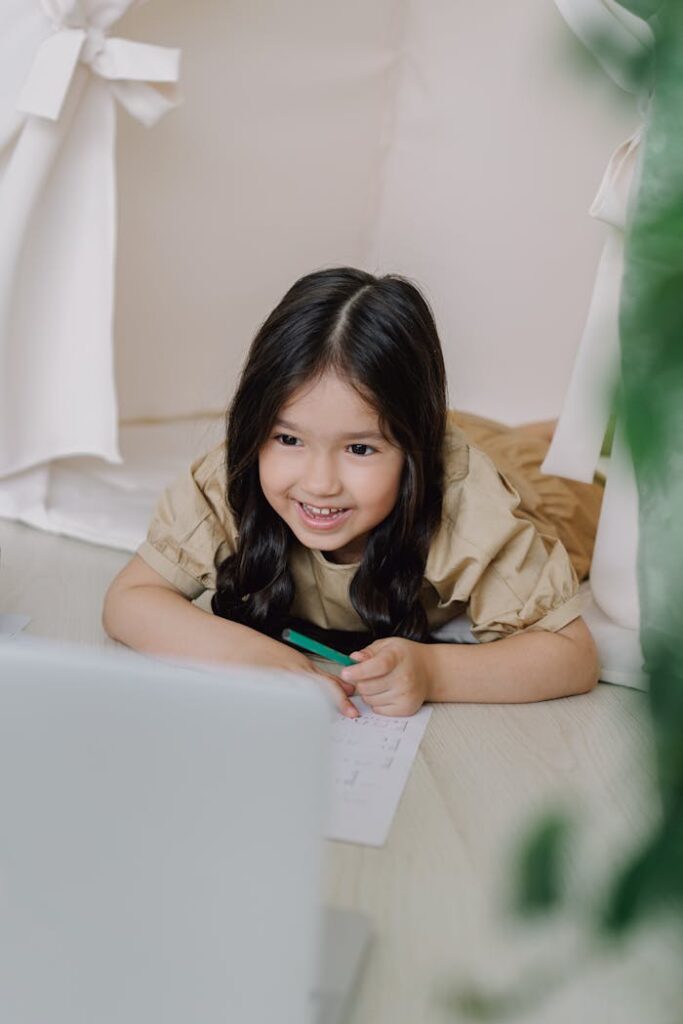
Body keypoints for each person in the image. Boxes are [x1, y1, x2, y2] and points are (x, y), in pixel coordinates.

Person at [103, 268, 603, 718]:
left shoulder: (468, 507)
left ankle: (574, 431)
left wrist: (434, 671)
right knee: (488, 435)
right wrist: (244, 654)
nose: (320, 483)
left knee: (565, 467)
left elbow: (572, 654)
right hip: (432, 433)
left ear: (413, 453)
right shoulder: (233, 475)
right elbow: (130, 599)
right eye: (289, 439)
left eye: (359, 449)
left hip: (532, 485)